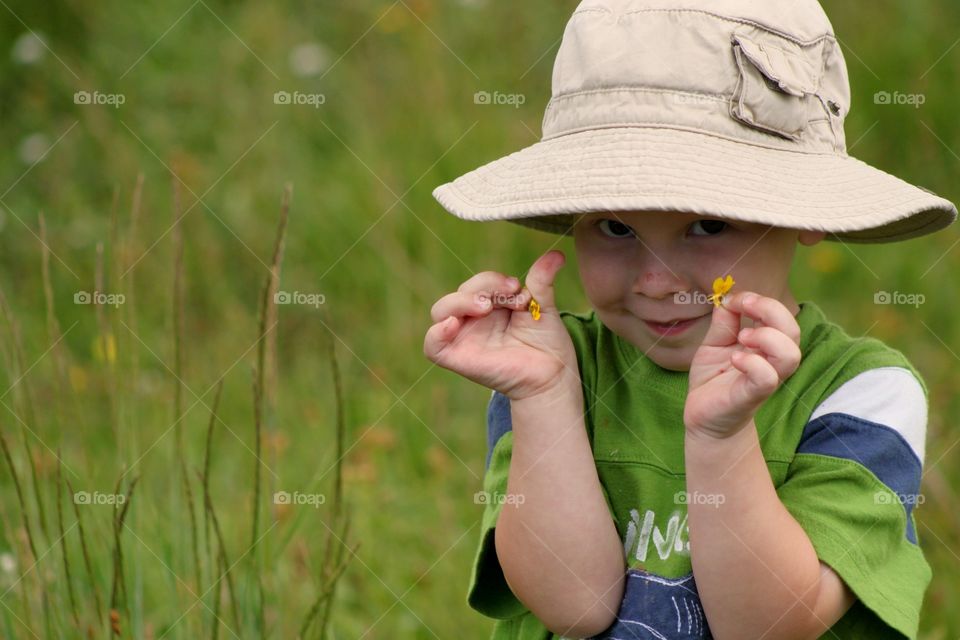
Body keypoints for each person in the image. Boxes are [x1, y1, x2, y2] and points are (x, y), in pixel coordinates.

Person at [423, 0, 957, 638]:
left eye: (706, 225)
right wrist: (542, 397)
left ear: (805, 214)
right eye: (615, 226)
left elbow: (769, 624)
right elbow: (574, 606)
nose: (656, 280)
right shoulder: (556, 368)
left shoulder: (859, 393)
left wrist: (721, 438)